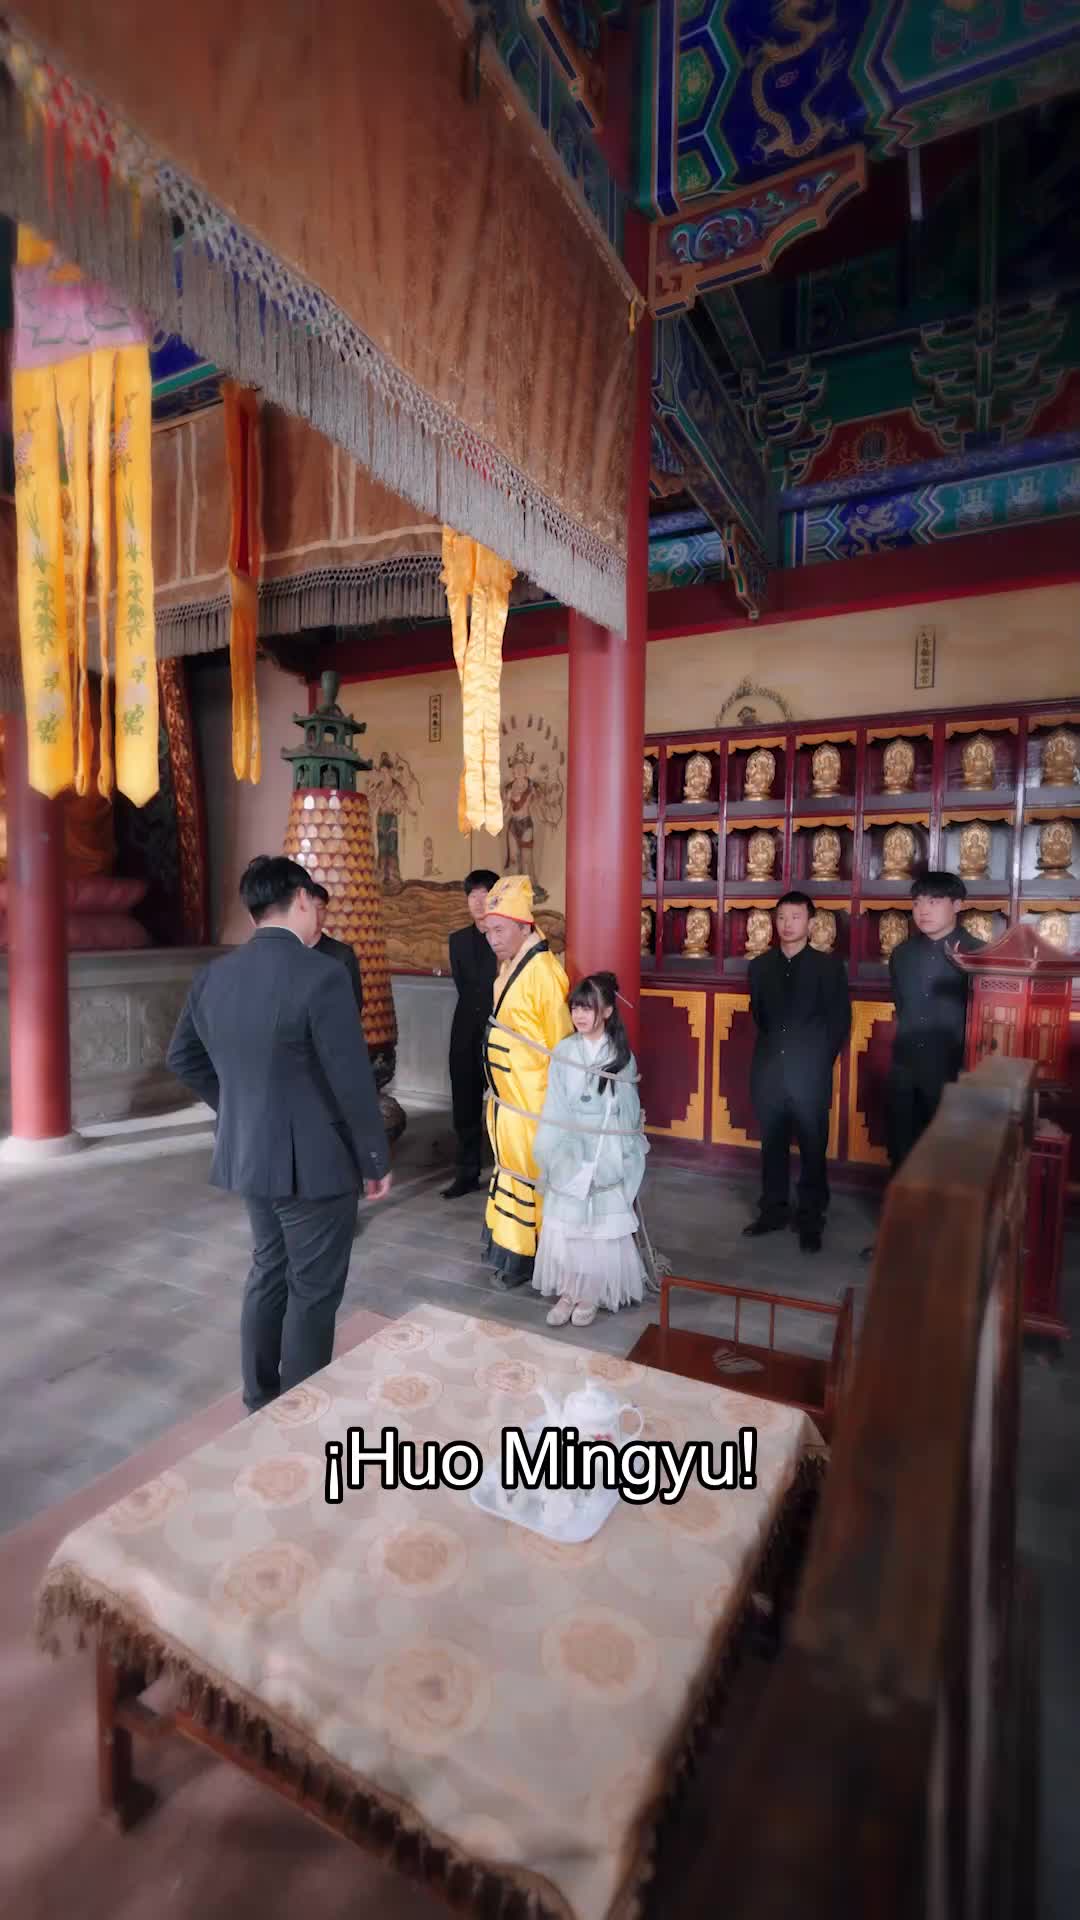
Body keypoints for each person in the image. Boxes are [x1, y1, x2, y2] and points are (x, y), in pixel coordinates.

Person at [166, 855, 392, 1413]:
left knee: (268, 1270)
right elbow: (351, 1080)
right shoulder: (322, 974)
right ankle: (299, 1415)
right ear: (301, 899)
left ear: (254, 912)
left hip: (249, 1154)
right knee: (312, 1291)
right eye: (314, 901)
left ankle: (260, 1398)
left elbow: (183, 1057)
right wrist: (374, 1158)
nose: (317, 911)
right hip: (316, 1163)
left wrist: (237, 1107)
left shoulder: (215, 975)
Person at [531, 972, 647, 1329]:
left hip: (605, 1146)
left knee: (598, 1227)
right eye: (575, 1008)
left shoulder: (620, 1056)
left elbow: (627, 1111)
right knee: (566, 1225)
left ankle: (591, 1293)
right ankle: (568, 1291)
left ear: (608, 1011)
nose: (579, 1015)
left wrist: (613, 1147)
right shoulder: (564, 1051)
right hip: (570, 1142)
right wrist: (558, 1145)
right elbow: (555, 1102)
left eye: (588, 1008)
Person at [744, 890, 851, 1254]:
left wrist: (818, 1061)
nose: (787, 924)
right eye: (781, 917)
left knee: (812, 1145)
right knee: (772, 1143)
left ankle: (810, 1218)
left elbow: (839, 1022)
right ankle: (773, 1210)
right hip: (769, 1069)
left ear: (811, 922)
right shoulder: (760, 967)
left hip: (811, 1071)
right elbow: (760, 1016)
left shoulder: (828, 967)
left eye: (795, 917)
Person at [481, 873, 572, 1288]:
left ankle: (530, 1258)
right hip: (509, 1100)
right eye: (488, 931)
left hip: (533, 1103)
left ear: (523, 926)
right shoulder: (510, 965)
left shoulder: (544, 973)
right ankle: (510, 1248)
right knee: (510, 1171)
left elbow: (561, 1044)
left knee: (529, 1178)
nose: (492, 940)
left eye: (499, 930)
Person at [885, 871, 984, 1174]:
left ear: (957, 905)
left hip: (954, 1071)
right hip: (905, 1066)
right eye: (917, 903)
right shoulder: (902, 954)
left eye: (934, 901)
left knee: (949, 1158)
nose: (923, 910)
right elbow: (902, 1006)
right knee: (903, 1150)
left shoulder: (980, 955)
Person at [443, 868, 499, 1199]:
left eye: (484, 894)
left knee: (507, 1101)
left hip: (502, 1029)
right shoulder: (458, 940)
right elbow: (463, 986)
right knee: (464, 1102)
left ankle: (509, 1170)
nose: (477, 901)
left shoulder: (506, 937)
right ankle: (466, 1172)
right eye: (472, 895)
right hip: (465, 1029)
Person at [308, 881, 363, 1014]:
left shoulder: (342, 955)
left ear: (326, 911)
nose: (315, 915)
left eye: (320, 908)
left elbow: (354, 1005)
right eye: (309, 909)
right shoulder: (287, 951)